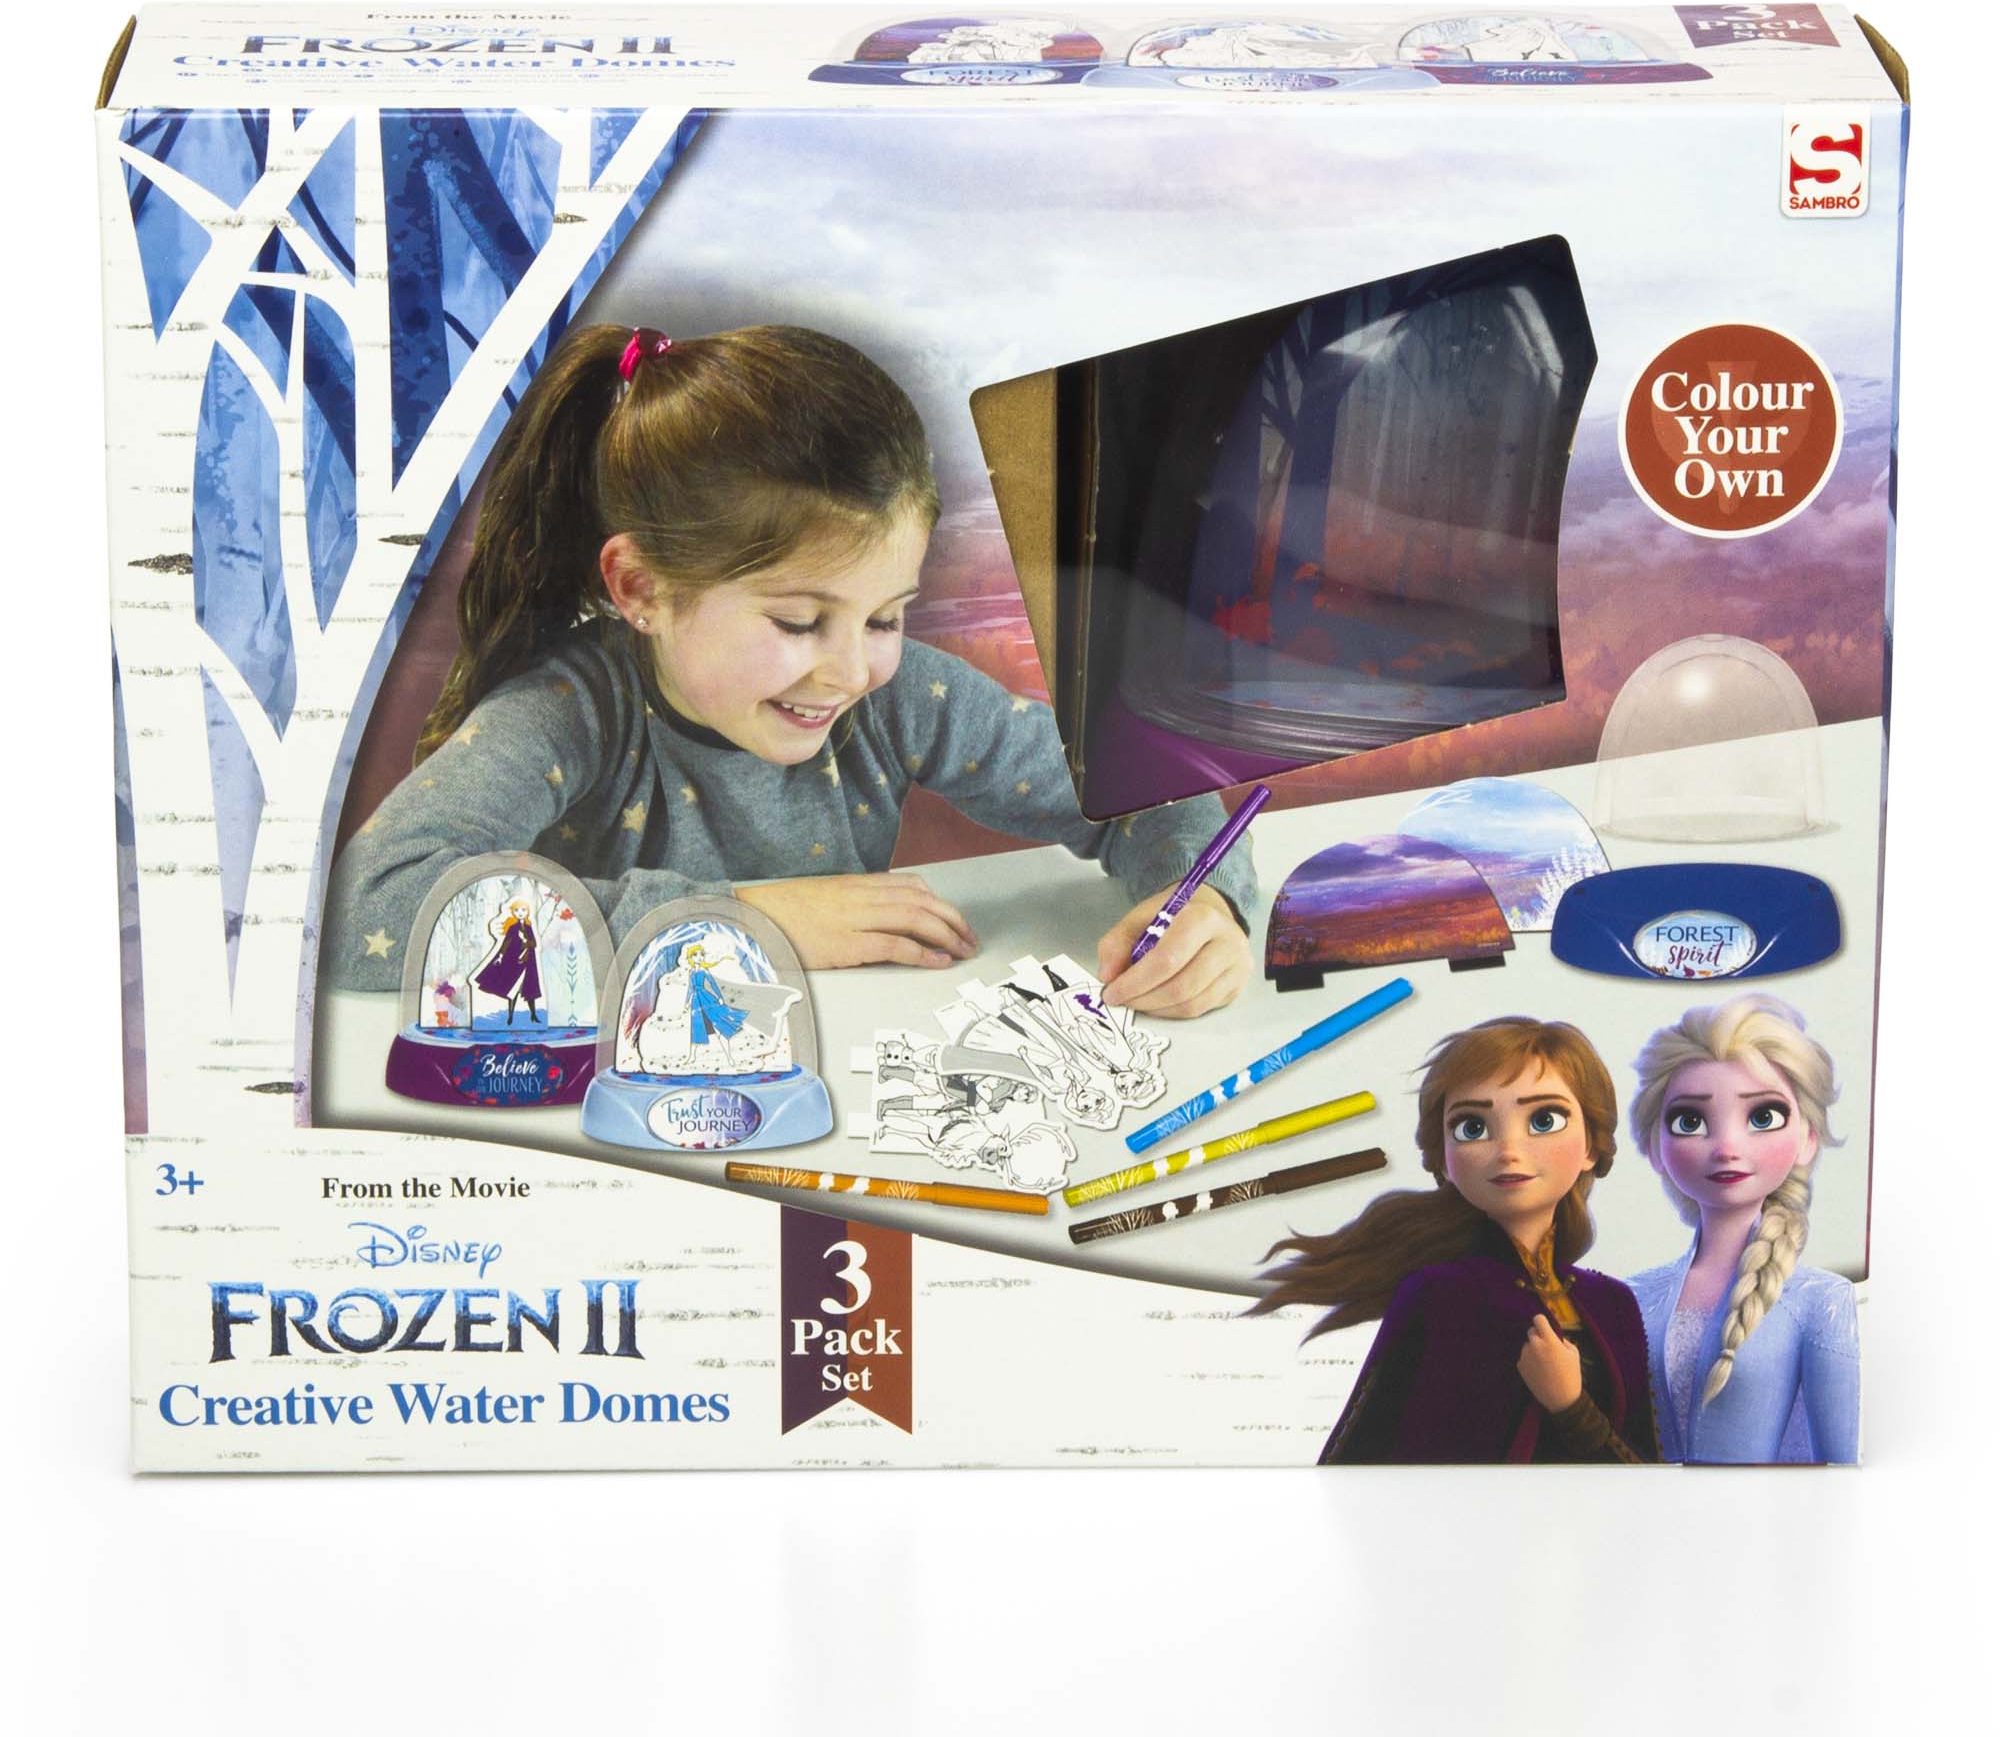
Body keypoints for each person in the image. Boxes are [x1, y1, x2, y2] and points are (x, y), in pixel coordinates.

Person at [327, 323, 1253, 1014]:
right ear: (641, 588)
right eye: (800, 622)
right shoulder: (570, 713)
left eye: (885, 617)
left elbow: (1144, 786)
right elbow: (364, 908)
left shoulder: (901, 696)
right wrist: (735, 921)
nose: (851, 671)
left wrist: (1202, 898)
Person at [1253, 1016, 1657, 1463]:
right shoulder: (1440, 1295)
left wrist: (1571, 1408)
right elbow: (1364, 1456)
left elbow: (1646, 1473)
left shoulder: (1612, 1304)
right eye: (1472, 1127)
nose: (1509, 1151)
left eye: (1544, 1120)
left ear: (1592, 1147)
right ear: (1443, 1160)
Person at [1626, 994, 1859, 1464]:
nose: (1727, 1147)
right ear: (1654, 1147)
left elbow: (1839, 1466)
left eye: (1762, 1117)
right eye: (1690, 1120)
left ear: (1808, 1138)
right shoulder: (1631, 1297)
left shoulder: (1821, 1300)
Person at [472, 900, 540, 1025]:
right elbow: (506, 943)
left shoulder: (529, 927)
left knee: (530, 989)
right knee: (513, 989)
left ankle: (533, 1015)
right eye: (517, 910)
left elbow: (534, 943)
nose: (520, 913)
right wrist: (501, 956)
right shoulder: (513, 928)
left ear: (528, 912)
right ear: (513, 912)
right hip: (515, 961)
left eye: (523, 910)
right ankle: (510, 1017)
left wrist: (525, 941)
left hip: (528, 961)